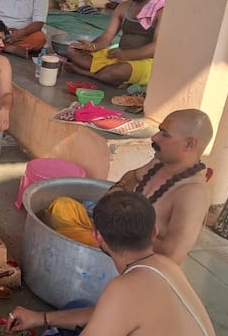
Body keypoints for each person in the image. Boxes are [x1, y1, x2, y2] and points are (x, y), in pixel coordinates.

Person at [6, 191, 216, 336]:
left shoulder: (123, 289)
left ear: (98, 237)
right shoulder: (167, 265)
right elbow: (106, 315)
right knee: (78, 307)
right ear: (154, 232)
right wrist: (41, 318)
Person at [48, 109, 214, 264]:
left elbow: (172, 254)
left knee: (60, 238)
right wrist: (115, 192)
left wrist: (120, 234)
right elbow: (133, 176)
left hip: (126, 254)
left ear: (190, 144)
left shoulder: (193, 193)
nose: (154, 138)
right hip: (107, 231)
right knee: (61, 206)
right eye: (159, 130)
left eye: (165, 134)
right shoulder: (159, 162)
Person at [64, 0, 165, 87]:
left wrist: (127, 55)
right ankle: (108, 76)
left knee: (117, 71)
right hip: (119, 56)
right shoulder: (123, 7)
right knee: (72, 50)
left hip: (144, 62)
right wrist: (92, 47)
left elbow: (156, 47)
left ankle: (84, 72)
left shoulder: (161, 10)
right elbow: (107, 37)